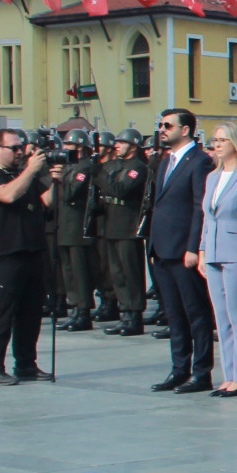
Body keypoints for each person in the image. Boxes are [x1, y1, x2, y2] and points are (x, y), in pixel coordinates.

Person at [0, 129, 54, 383]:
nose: (20, 152)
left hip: (32, 251)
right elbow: (8, 195)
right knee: (1, 313)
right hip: (5, 254)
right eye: (14, 148)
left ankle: (26, 364)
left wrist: (58, 179)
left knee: (30, 313)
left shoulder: (22, 176)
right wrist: (30, 170)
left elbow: (45, 201)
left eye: (22, 148)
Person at [144, 109, 214, 392]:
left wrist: (194, 247)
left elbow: (200, 207)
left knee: (195, 313)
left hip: (183, 249)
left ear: (185, 130)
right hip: (162, 249)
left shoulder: (199, 161)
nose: (162, 129)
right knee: (174, 314)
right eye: (161, 124)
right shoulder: (166, 160)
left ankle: (201, 372)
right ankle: (178, 369)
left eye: (167, 125)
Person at [199, 125, 237, 397]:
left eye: (223, 140)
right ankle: (229, 374)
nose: (217, 145)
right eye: (215, 140)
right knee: (221, 317)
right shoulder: (212, 177)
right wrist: (201, 250)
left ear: (236, 143)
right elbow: (207, 218)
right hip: (212, 250)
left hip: (235, 251)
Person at [95, 131, 149, 336]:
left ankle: (135, 315)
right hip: (112, 223)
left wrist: (99, 174)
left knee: (130, 273)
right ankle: (125, 312)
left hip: (127, 225)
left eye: (122, 142)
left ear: (133, 146)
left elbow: (120, 190)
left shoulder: (137, 168)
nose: (117, 145)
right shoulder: (118, 166)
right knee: (117, 273)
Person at [51, 137, 98, 329]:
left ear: (81, 148)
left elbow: (71, 193)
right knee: (69, 271)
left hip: (78, 226)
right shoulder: (70, 167)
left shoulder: (85, 167)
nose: (65, 148)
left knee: (80, 272)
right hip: (65, 225)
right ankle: (76, 308)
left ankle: (84, 310)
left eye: (69, 145)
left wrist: (61, 178)